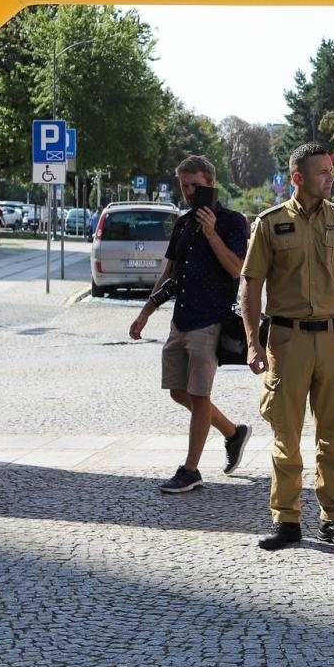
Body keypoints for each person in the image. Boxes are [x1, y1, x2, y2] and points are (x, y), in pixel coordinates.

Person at [241, 143, 334, 552]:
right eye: (322, 172)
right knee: (286, 435)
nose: (330, 178)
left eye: (331, 171)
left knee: (333, 437)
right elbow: (251, 284)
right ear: (298, 177)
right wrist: (252, 342)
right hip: (287, 340)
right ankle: (286, 520)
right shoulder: (270, 223)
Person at [129, 156, 252, 495]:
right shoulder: (183, 224)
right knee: (178, 391)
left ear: (211, 183)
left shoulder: (232, 222)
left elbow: (236, 268)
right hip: (180, 319)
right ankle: (233, 432)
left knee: (199, 395)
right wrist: (145, 312)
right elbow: (168, 273)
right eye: (184, 186)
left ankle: (191, 470)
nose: (189, 192)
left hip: (210, 320)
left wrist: (211, 232)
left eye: (195, 185)